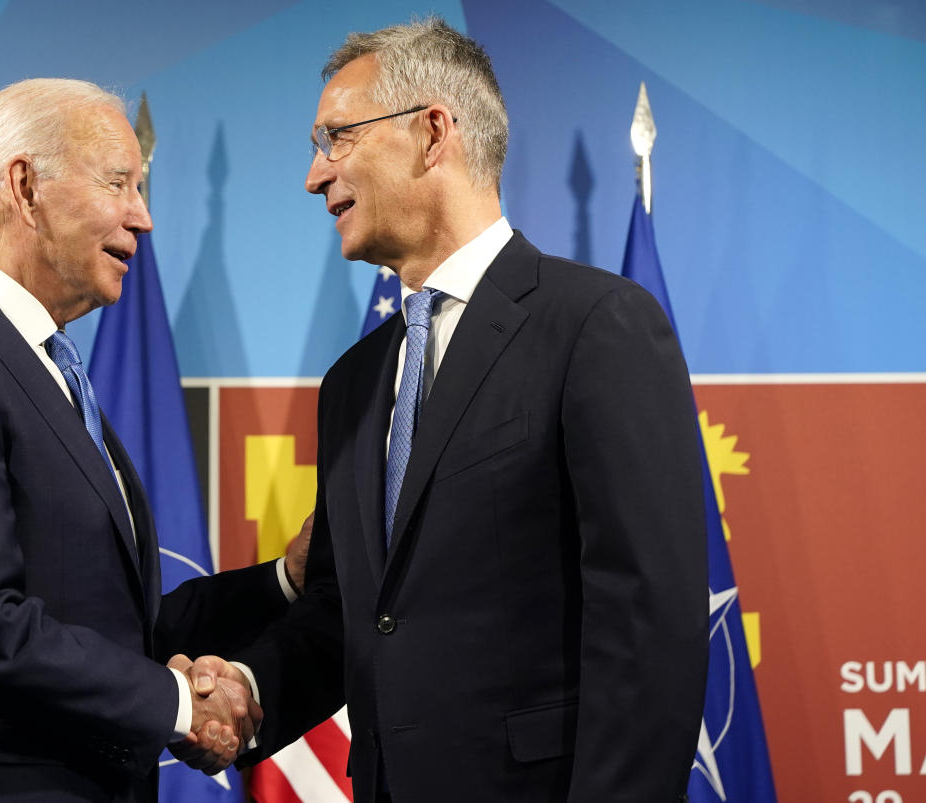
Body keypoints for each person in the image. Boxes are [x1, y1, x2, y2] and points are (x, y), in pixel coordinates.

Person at [180, 18, 708, 802]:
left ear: (433, 132)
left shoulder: (595, 325)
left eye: (336, 138)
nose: (314, 175)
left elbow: (648, 627)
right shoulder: (352, 384)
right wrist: (251, 693)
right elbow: (355, 615)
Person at [0, 78, 305, 802]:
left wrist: (281, 582)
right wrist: (180, 703)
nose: (142, 217)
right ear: (25, 188)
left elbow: (109, 628)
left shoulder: (51, 371)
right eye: (119, 183)